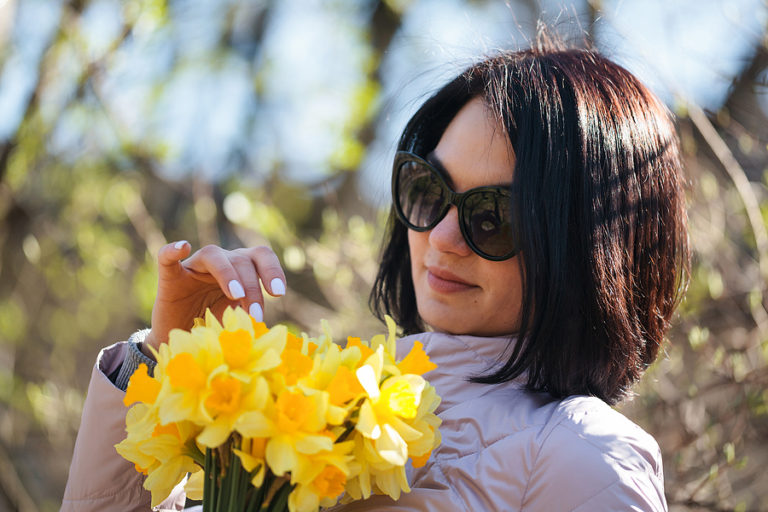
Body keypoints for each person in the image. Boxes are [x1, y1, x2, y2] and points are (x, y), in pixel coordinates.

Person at [61, 41, 688, 511]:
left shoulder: (585, 459)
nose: (440, 237)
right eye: (428, 189)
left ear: (590, 251)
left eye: (495, 219)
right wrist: (164, 370)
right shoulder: (312, 403)